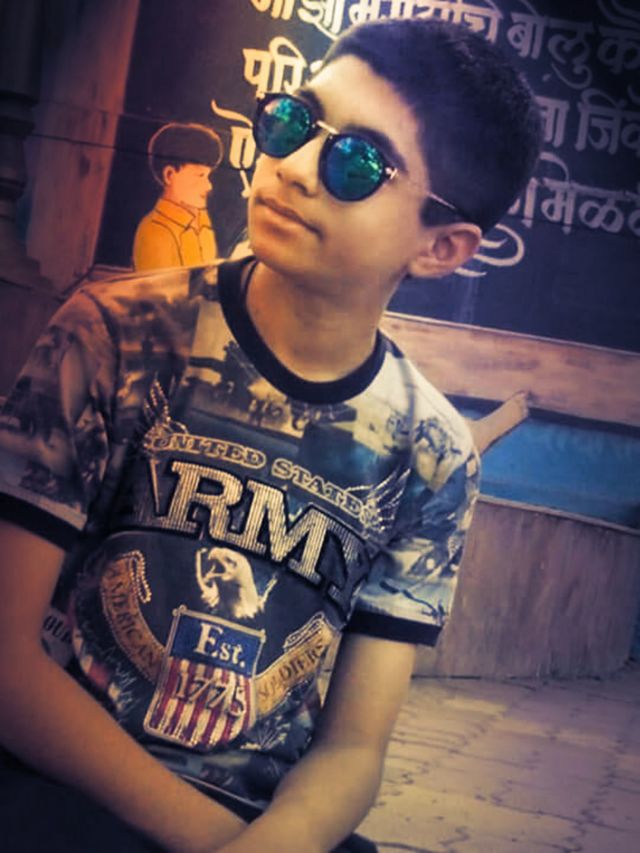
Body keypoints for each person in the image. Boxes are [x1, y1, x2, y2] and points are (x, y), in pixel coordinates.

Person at [0, 16, 541, 853]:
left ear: (443, 247)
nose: (291, 166)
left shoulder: (432, 454)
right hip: (60, 780)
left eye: (357, 162)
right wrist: (215, 838)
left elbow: (354, 748)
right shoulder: (116, 332)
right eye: (293, 122)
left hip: (262, 818)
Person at [133, 122, 224, 271]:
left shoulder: (203, 224)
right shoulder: (154, 230)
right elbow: (158, 285)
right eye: (200, 175)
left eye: (208, 176)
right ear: (169, 175)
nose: (209, 186)